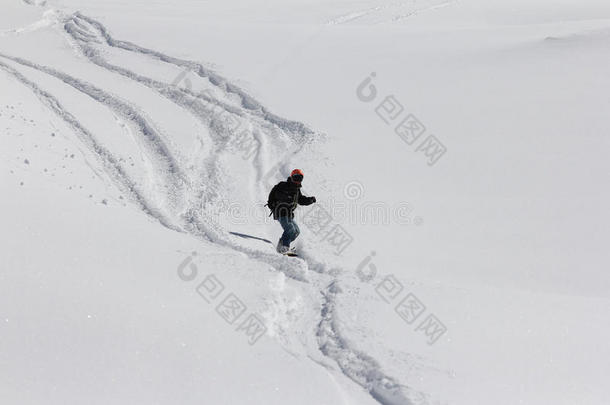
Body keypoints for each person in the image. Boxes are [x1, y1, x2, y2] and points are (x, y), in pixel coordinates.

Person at [267, 169, 316, 254]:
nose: (297, 180)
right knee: (290, 229)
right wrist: (273, 205)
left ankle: (282, 245)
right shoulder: (283, 185)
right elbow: (274, 195)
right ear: (292, 177)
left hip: (289, 214)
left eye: (300, 178)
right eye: (296, 177)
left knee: (296, 231)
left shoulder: (297, 190)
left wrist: (310, 200)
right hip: (280, 211)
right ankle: (285, 247)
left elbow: (300, 200)